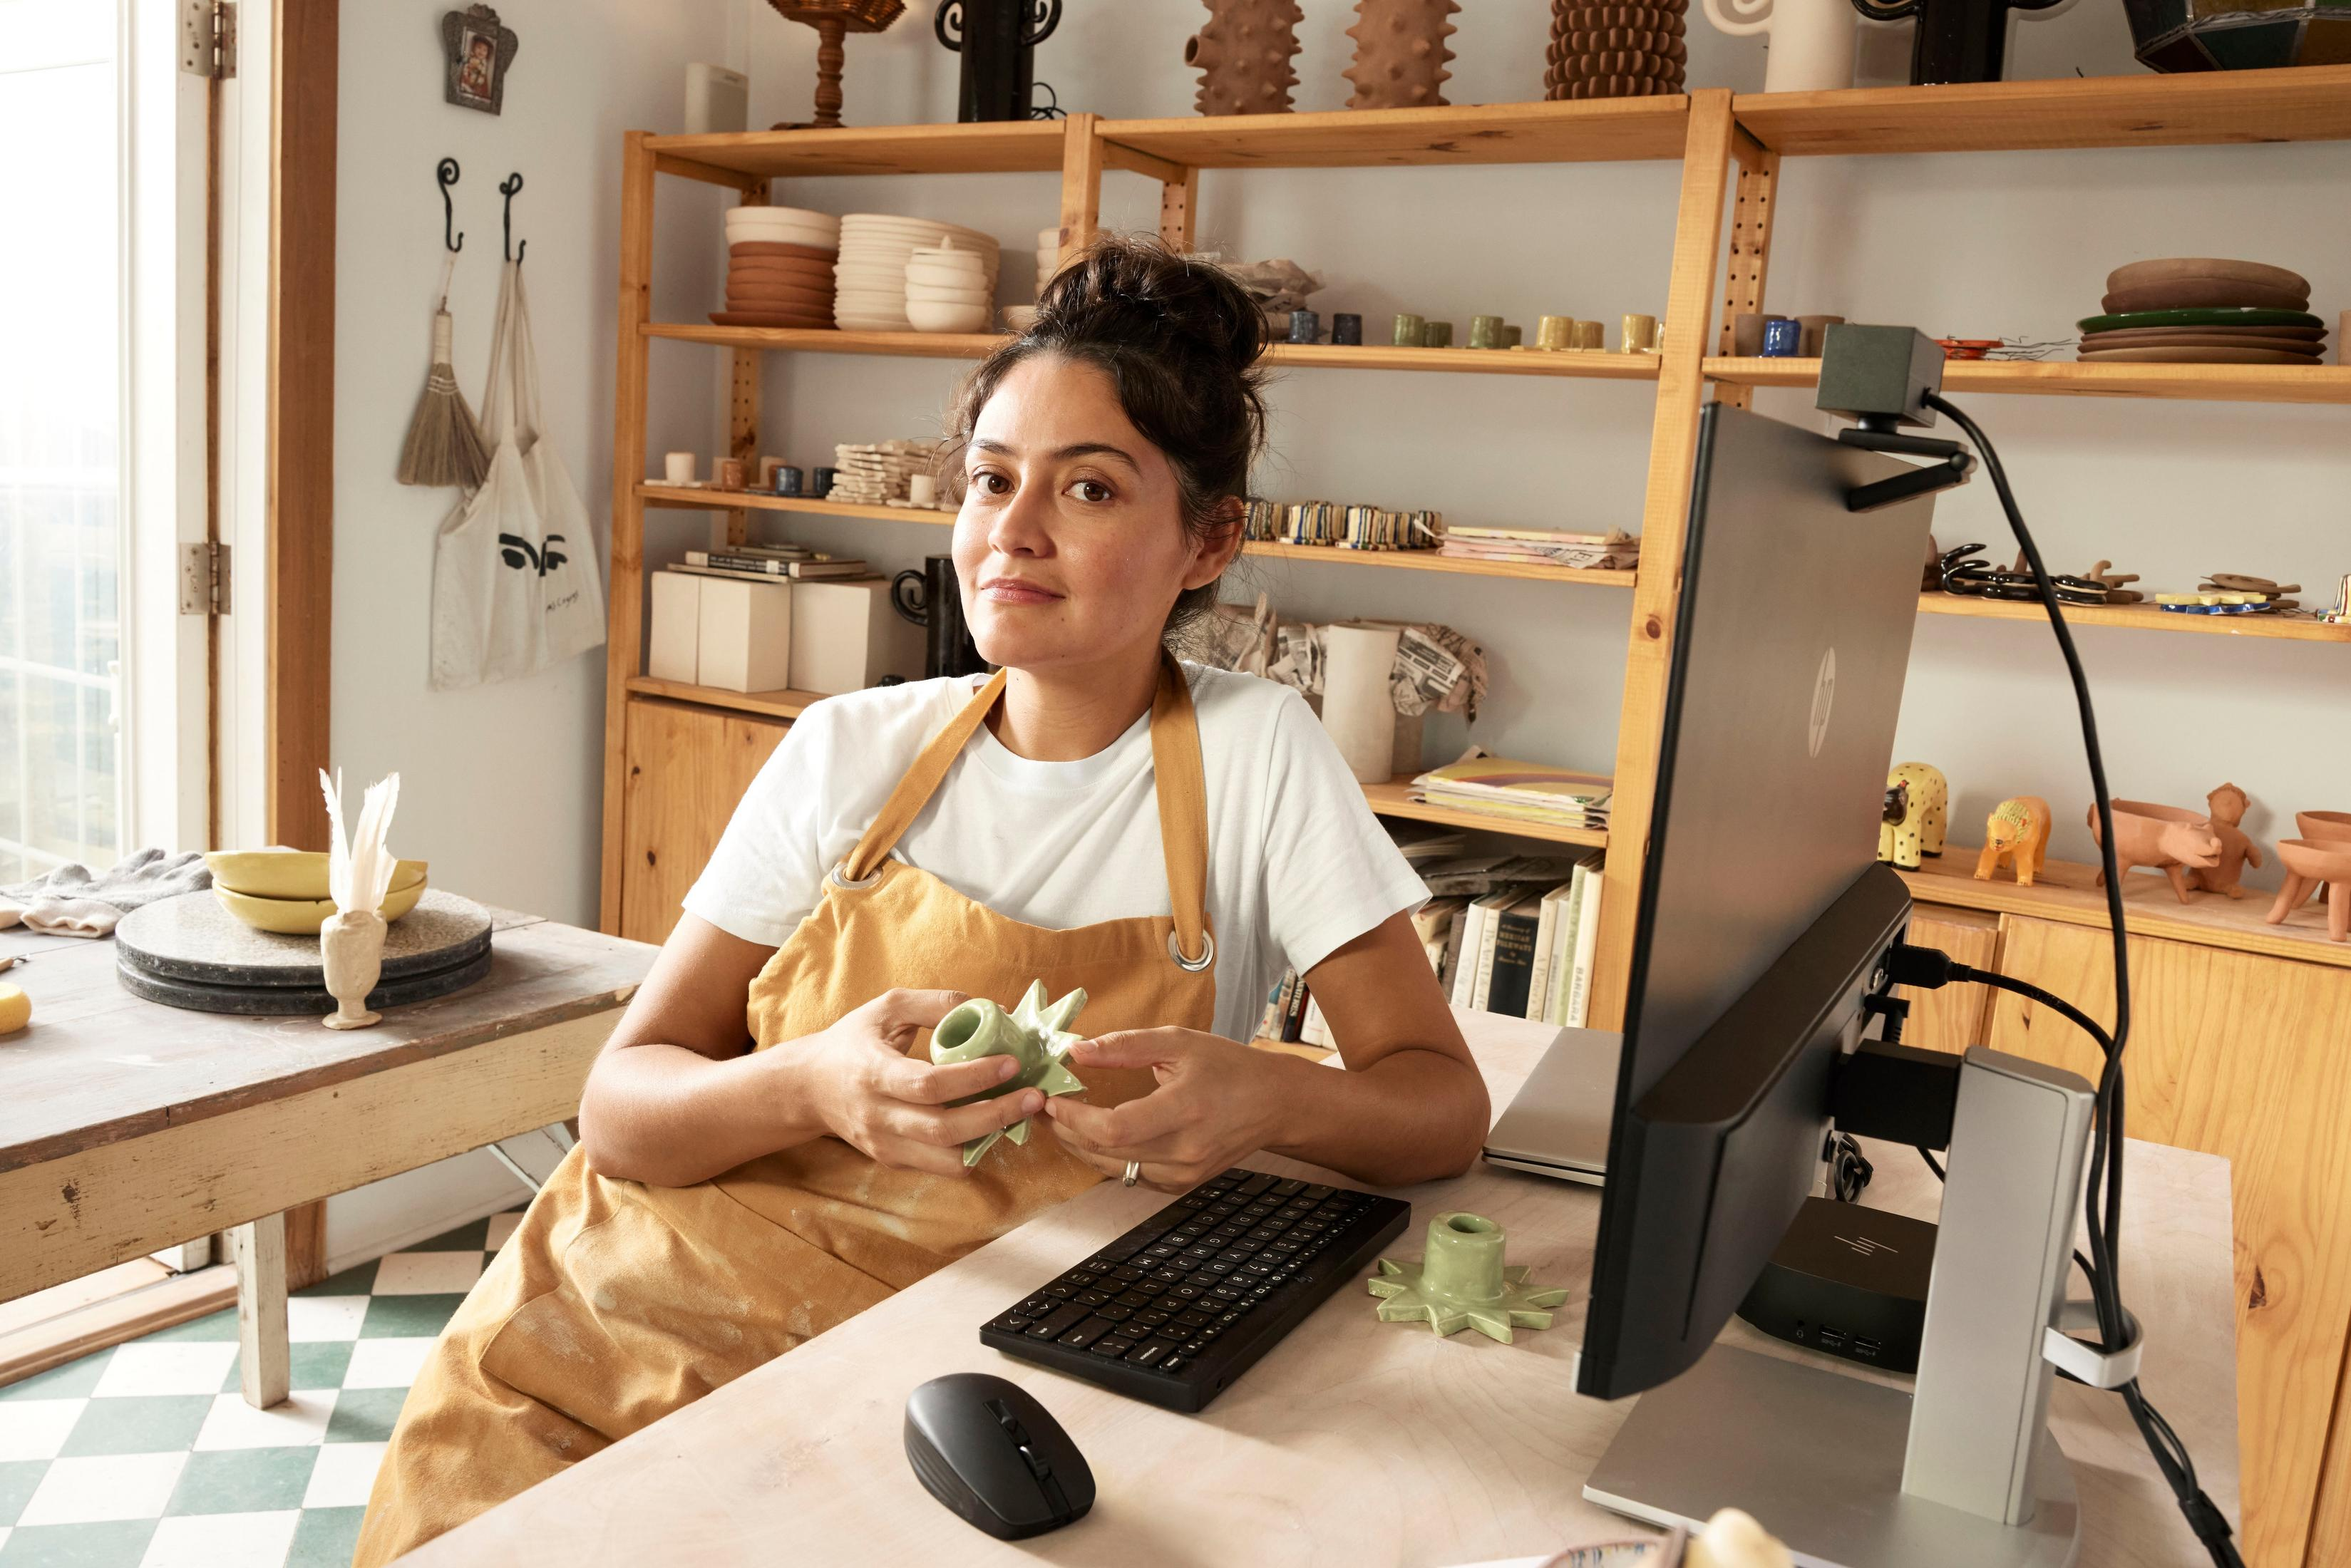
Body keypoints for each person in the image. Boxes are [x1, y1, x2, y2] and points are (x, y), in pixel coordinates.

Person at [352, 236, 1488, 1563]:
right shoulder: (850, 747)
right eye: (991, 480)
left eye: (1091, 488)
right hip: (636, 1308)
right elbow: (622, 1112)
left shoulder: (1255, 753)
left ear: (1207, 539)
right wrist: (812, 1084)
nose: (1014, 529)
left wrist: (1269, 1093)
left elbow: (1439, 1110)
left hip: (979, 1355)